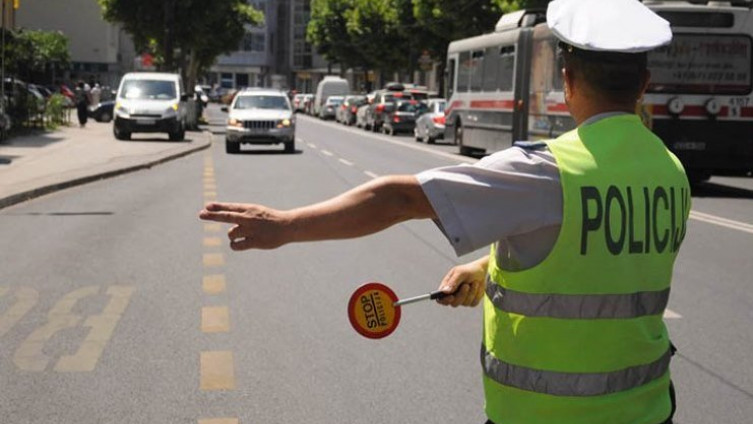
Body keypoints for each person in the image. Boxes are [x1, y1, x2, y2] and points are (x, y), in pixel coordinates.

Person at [199, 0, 690, 422]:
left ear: (566, 78)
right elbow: (598, 262)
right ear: (643, 84)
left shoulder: (547, 172)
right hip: (647, 409)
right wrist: (487, 266)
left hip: (548, 416)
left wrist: (286, 226)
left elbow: (399, 198)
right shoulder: (669, 170)